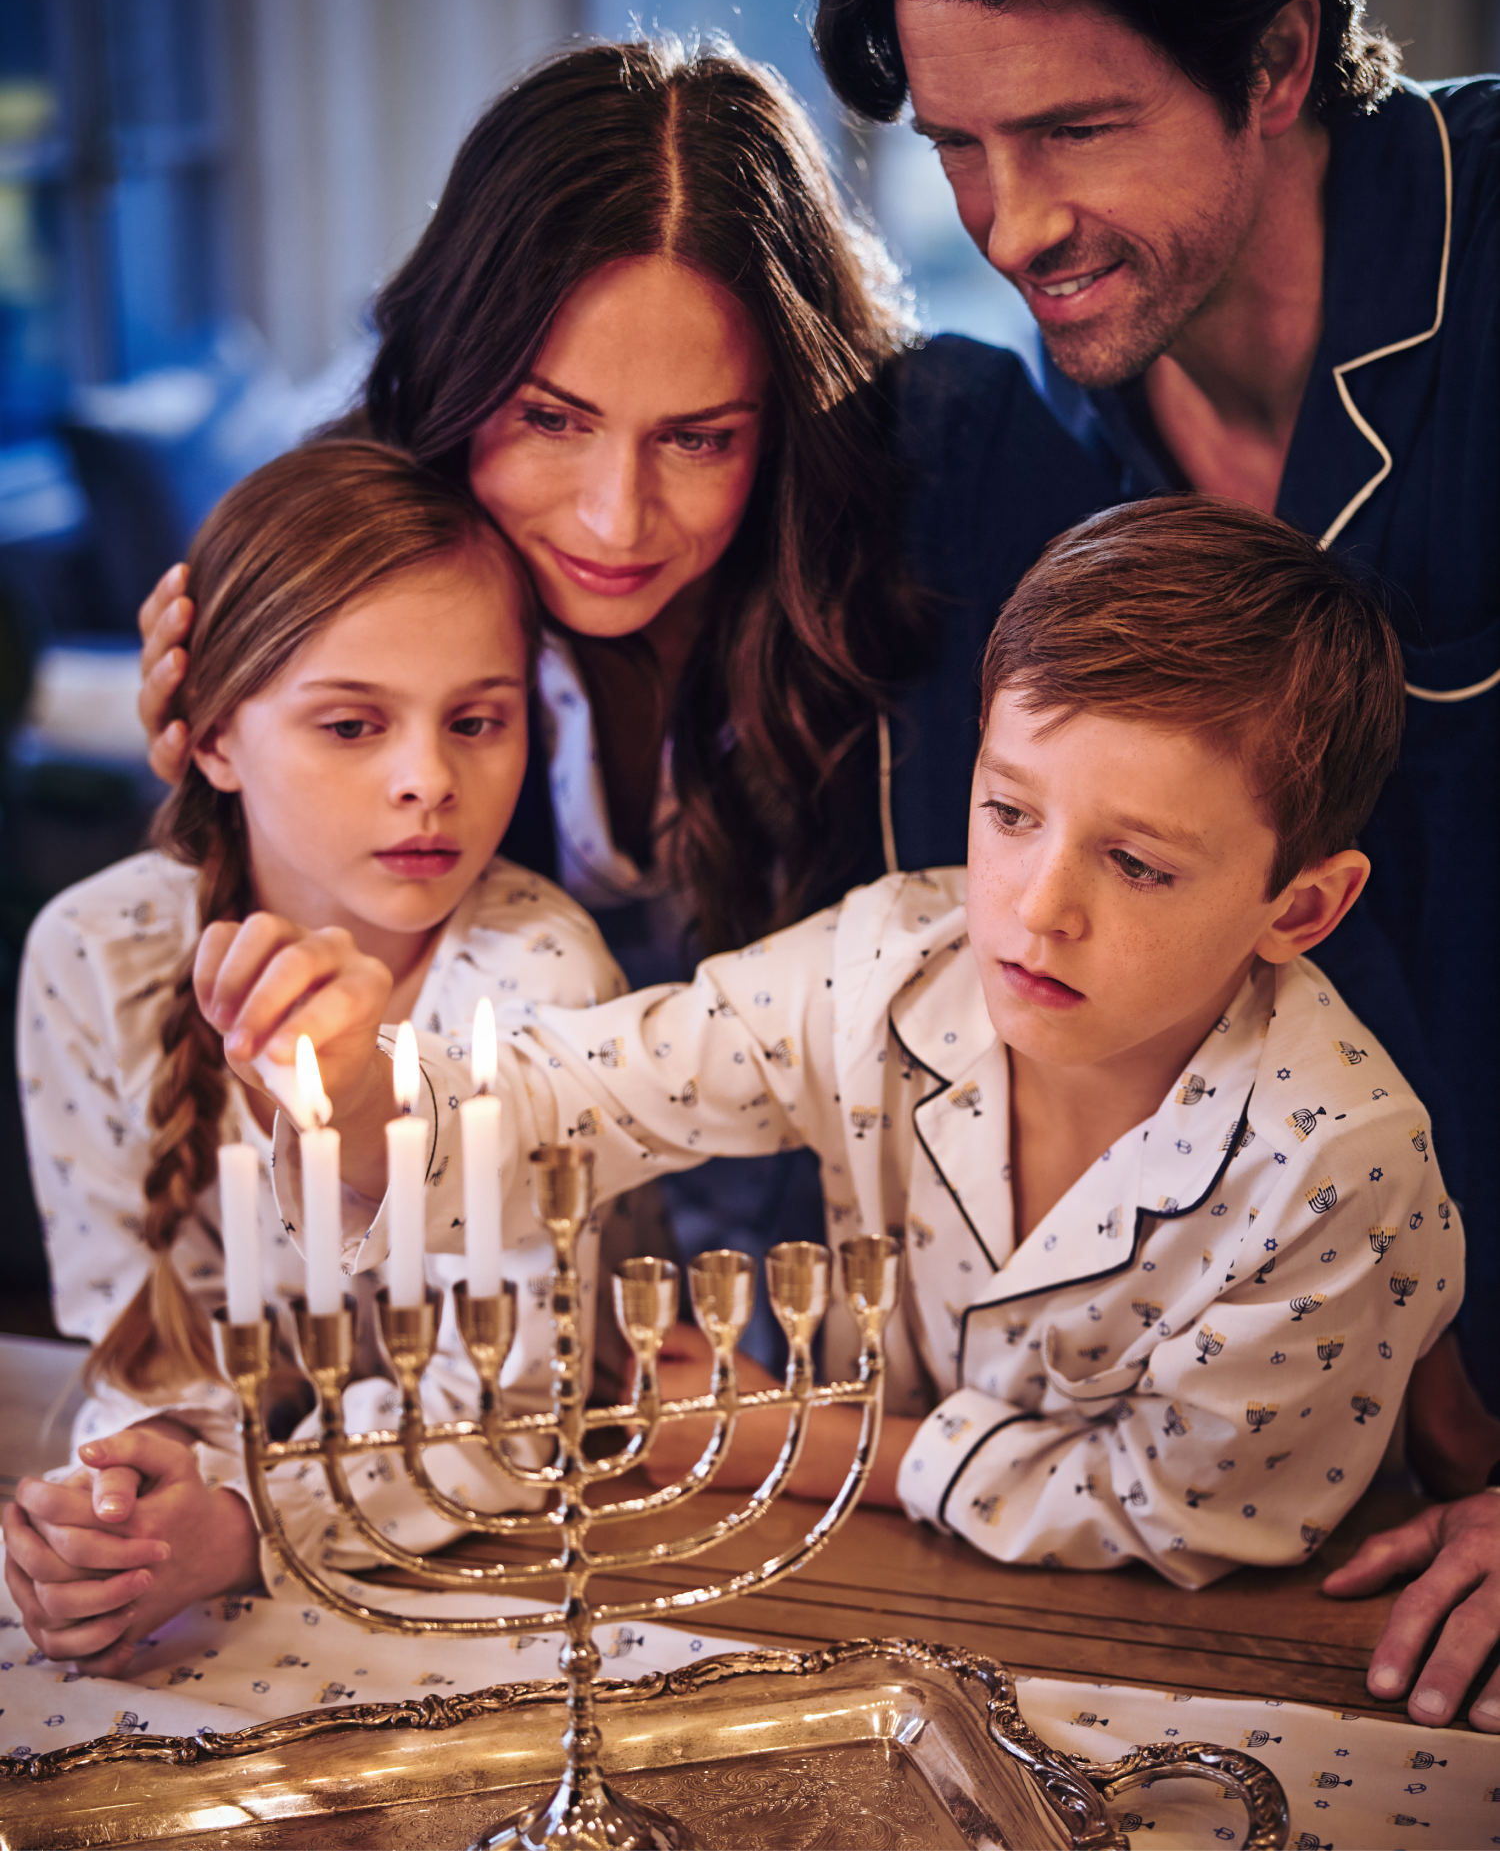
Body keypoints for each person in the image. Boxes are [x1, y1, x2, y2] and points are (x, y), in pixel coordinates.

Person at [257, 495, 1462, 1590]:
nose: (1039, 907)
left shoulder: (1335, 1161)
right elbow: (573, 1095)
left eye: (1138, 863)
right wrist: (354, 1081)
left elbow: (1189, 1509)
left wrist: (794, 1434)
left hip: (1214, 1648)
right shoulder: (892, 957)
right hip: (857, 1585)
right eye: (1009, 812)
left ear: (1301, 906)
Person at [132, 35, 1114, 1366]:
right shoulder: (368, 544)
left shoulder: (951, 476)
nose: (615, 517)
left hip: (901, 1338)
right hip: (520, 1339)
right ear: (457, 372)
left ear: (791, 411)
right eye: (549, 418)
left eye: (700, 438)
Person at [813, 0, 1500, 1729]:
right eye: (960, 143)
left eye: (1073, 131)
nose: (1011, 220)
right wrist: (277, 610)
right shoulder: (1018, 439)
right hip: (1283, 1498)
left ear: (1277, 57)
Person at [4, 440, 627, 1677]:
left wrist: (243, 1527)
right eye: (351, 723)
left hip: (495, 1579)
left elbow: (507, 1408)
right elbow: (138, 1341)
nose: (426, 781)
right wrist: (137, 1502)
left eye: (477, 720)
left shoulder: (541, 981)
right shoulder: (96, 952)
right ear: (213, 736)